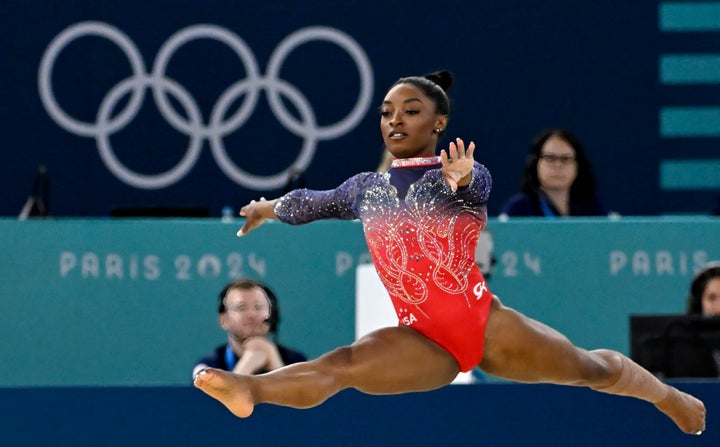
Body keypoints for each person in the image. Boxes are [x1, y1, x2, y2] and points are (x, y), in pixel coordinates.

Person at [194, 70, 705, 435]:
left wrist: (461, 180)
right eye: (387, 113)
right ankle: (249, 389)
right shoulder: (364, 190)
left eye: (411, 112)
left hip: (483, 323)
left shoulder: (455, 177)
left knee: (591, 369)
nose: (396, 121)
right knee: (343, 364)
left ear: (438, 124)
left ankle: (669, 397)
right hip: (420, 338)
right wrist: (268, 207)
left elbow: (476, 185)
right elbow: (311, 202)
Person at [192, 278, 306, 379]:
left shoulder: (297, 362)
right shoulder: (208, 369)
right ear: (223, 320)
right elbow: (208, 404)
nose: (252, 315)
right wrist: (248, 363)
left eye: (259, 307)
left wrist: (274, 362)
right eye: (241, 308)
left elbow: (303, 400)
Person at [499, 128, 609, 218]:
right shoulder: (518, 209)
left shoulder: (593, 208)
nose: (558, 165)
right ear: (535, 163)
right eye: (550, 158)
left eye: (566, 159)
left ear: (578, 165)